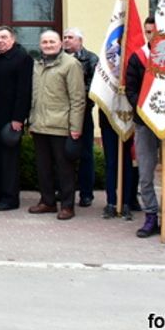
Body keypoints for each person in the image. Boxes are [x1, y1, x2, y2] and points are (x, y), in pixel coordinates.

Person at [126, 16, 165, 242]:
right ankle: (151, 215)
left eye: (155, 31)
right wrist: (146, 109)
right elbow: (130, 89)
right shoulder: (138, 58)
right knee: (145, 171)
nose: (151, 35)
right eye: (148, 31)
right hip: (145, 123)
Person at [27, 30, 85, 221]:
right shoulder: (37, 64)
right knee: (43, 167)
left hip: (61, 125)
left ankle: (67, 205)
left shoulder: (71, 64)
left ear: (60, 44)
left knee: (64, 168)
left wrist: (75, 127)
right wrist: (31, 120)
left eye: (52, 41)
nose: (48, 45)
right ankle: (47, 202)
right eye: (44, 42)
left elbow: (78, 98)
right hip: (39, 124)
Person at [100, 16, 153, 221]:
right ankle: (112, 202)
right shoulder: (108, 57)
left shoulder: (140, 56)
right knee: (112, 160)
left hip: (135, 113)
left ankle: (128, 200)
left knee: (132, 161)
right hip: (111, 111)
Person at [0, 26, 32, 212]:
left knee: (8, 161)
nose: (0, 40)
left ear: (12, 38)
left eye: (4, 37)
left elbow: (24, 91)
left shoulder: (22, 58)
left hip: (10, 119)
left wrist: (18, 119)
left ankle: (10, 198)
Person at [62, 27, 99, 208]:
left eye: (70, 37)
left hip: (83, 113)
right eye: (65, 37)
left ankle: (86, 194)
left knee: (85, 154)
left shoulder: (91, 59)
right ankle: (63, 191)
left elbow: (93, 87)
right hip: (61, 114)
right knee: (62, 154)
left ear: (80, 41)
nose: (66, 40)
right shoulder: (58, 59)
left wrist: (74, 97)